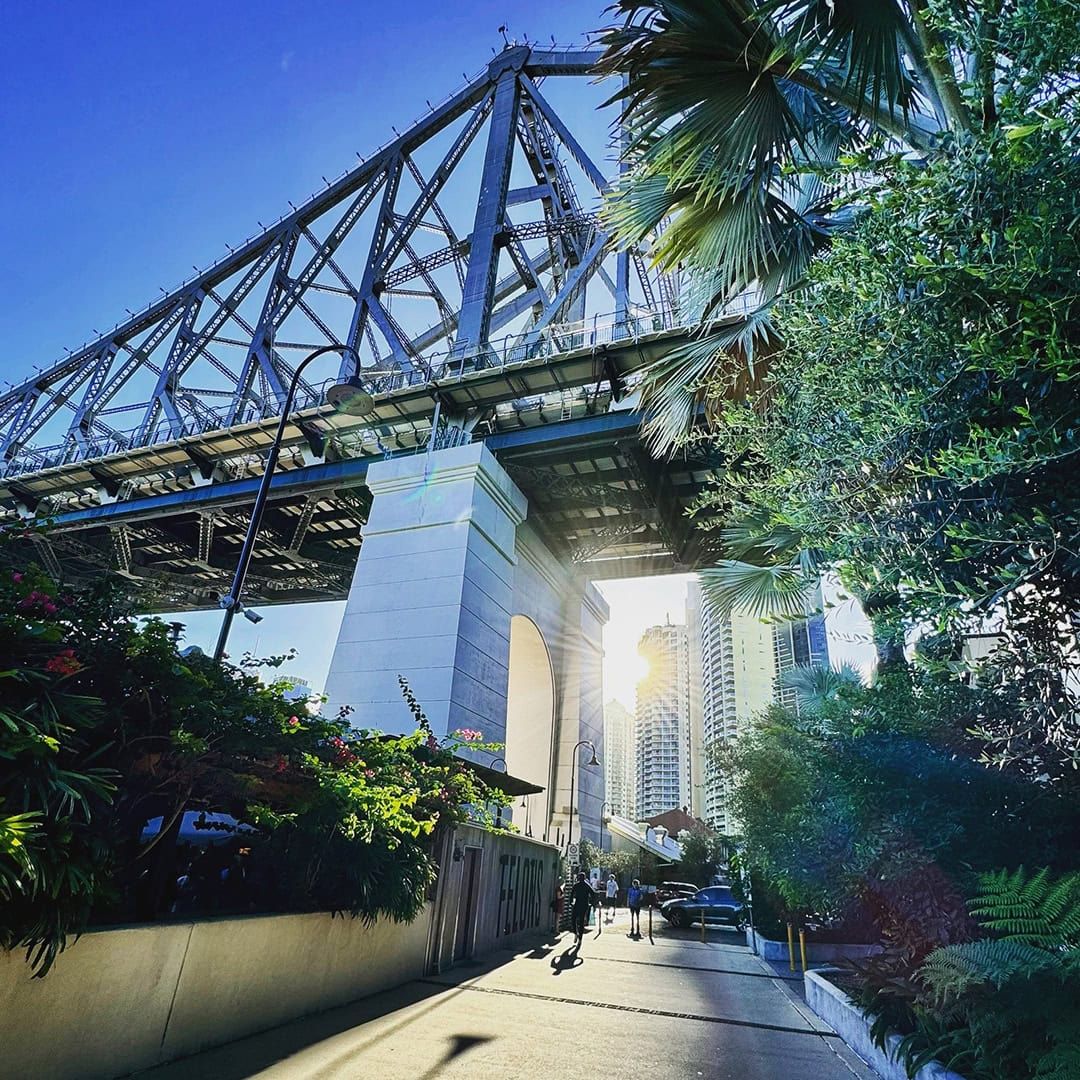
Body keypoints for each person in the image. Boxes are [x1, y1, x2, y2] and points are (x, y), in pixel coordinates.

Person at [569, 871, 598, 945]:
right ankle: (579, 938)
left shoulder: (577, 885)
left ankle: (576, 934)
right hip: (584, 905)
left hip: (578, 904)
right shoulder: (587, 885)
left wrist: (571, 902)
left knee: (574, 919)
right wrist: (592, 903)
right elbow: (593, 894)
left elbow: (571, 894)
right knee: (581, 921)